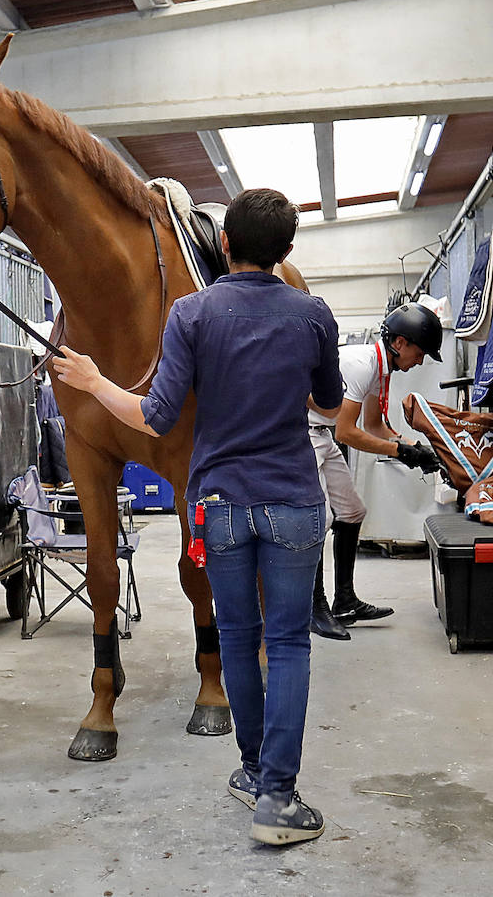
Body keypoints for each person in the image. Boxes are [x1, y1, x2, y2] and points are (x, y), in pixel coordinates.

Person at [51, 188, 342, 846]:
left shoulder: (190, 312)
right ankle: (278, 795)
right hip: (293, 502)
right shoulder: (314, 314)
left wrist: (96, 384)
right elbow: (327, 406)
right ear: (287, 251)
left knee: (236, 638)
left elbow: (153, 417)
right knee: (287, 644)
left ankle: (249, 773)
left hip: (219, 508)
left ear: (225, 246)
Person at [307, 303, 444, 641]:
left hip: (322, 433)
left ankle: (345, 601)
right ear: (399, 343)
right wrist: (400, 451)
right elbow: (347, 433)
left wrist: (415, 447)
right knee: (318, 519)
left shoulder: (380, 370)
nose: (421, 360)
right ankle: (315, 608)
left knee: (353, 512)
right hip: (303, 435)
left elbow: (373, 426)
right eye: (420, 351)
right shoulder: (359, 365)